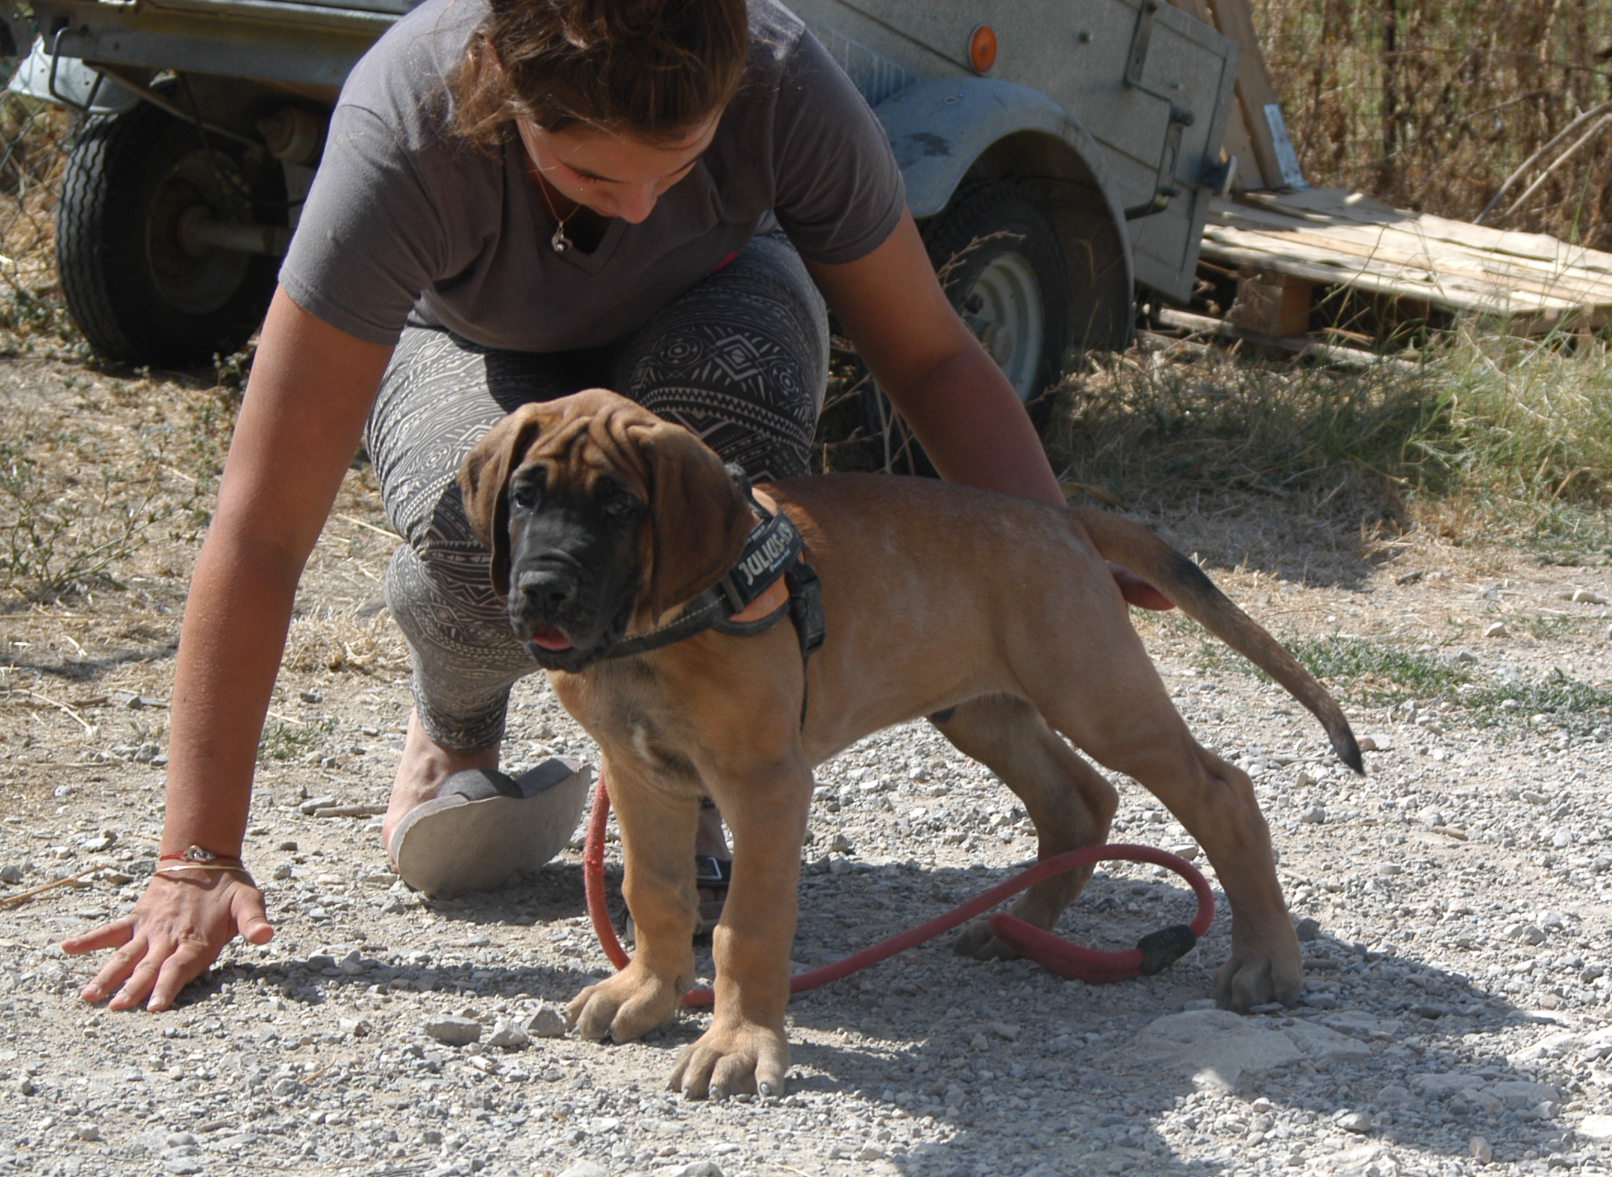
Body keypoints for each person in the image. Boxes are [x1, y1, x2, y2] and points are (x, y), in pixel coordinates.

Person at [64, 0, 1156, 1011]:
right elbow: (261, 528)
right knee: (487, 533)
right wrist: (196, 858)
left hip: (713, 302)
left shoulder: (783, 83)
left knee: (713, 492)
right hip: (471, 342)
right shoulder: (410, 129)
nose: (638, 208)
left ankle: (689, 770)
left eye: (678, 167)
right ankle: (455, 725)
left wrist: (1054, 555)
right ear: (502, 90)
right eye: (591, 171)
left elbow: (931, 358)